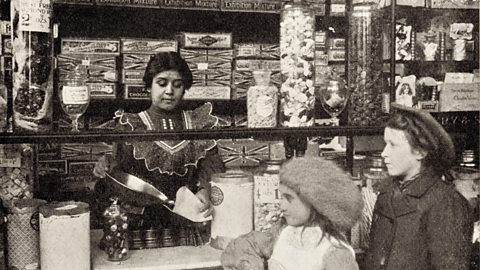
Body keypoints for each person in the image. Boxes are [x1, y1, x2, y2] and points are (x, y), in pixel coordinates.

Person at [93, 51, 225, 246]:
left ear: (184, 88)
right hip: (140, 227)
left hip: (187, 224)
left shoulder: (198, 123)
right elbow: (121, 175)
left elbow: (212, 167)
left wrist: (205, 190)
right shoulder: (131, 124)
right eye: (162, 83)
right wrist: (105, 165)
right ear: (149, 86)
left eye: (177, 85)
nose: (170, 91)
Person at [366, 103, 473, 269]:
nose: (384, 153)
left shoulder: (444, 202)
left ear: (420, 152)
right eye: (385, 143)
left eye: (393, 145)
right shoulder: (386, 194)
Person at [221, 157, 363, 270]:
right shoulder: (283, 231)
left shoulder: (335, 252)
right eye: (281, 197)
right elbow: (242, 245)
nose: (282, 206)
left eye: (289, 198)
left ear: (315, 200)